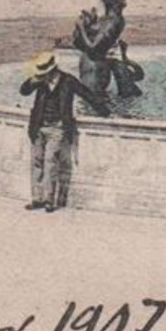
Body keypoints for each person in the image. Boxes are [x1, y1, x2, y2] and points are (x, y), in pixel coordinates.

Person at [19, 50, 109, 213]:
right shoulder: (40, 81)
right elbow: (23, 91)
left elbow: (87, 95)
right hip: (38, 126)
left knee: (50, 162)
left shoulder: (68, 81)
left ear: (53, 70)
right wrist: (33, 80)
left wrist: (106, 112)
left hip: (57, 127)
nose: (43, 75)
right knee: (37, 162)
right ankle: (37, 199)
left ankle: (49, 200)